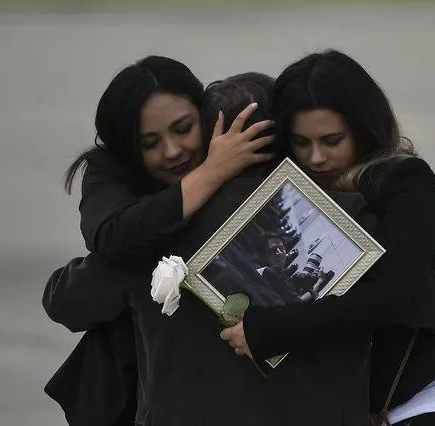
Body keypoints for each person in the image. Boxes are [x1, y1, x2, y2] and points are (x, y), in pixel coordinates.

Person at [45, 72, 378, 426]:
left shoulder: (148, 233)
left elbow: (64, 301)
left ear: (208, 135)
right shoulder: (352, 220)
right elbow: (430, 299)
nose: (173, 151)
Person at [220, 50, 435, 426]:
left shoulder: (405, 182)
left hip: (404, 403)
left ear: (364, 128)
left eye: (332, 140)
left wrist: (274, 330)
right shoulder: (284, 190)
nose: (317, 157)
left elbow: (393, 295)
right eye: (301, 143)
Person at [44, 56, 276, 426]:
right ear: (127, 149)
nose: (172, 151)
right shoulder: (111, 173)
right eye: (150, 143)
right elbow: (113, 239)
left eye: (183, 129)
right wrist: (211, 172)